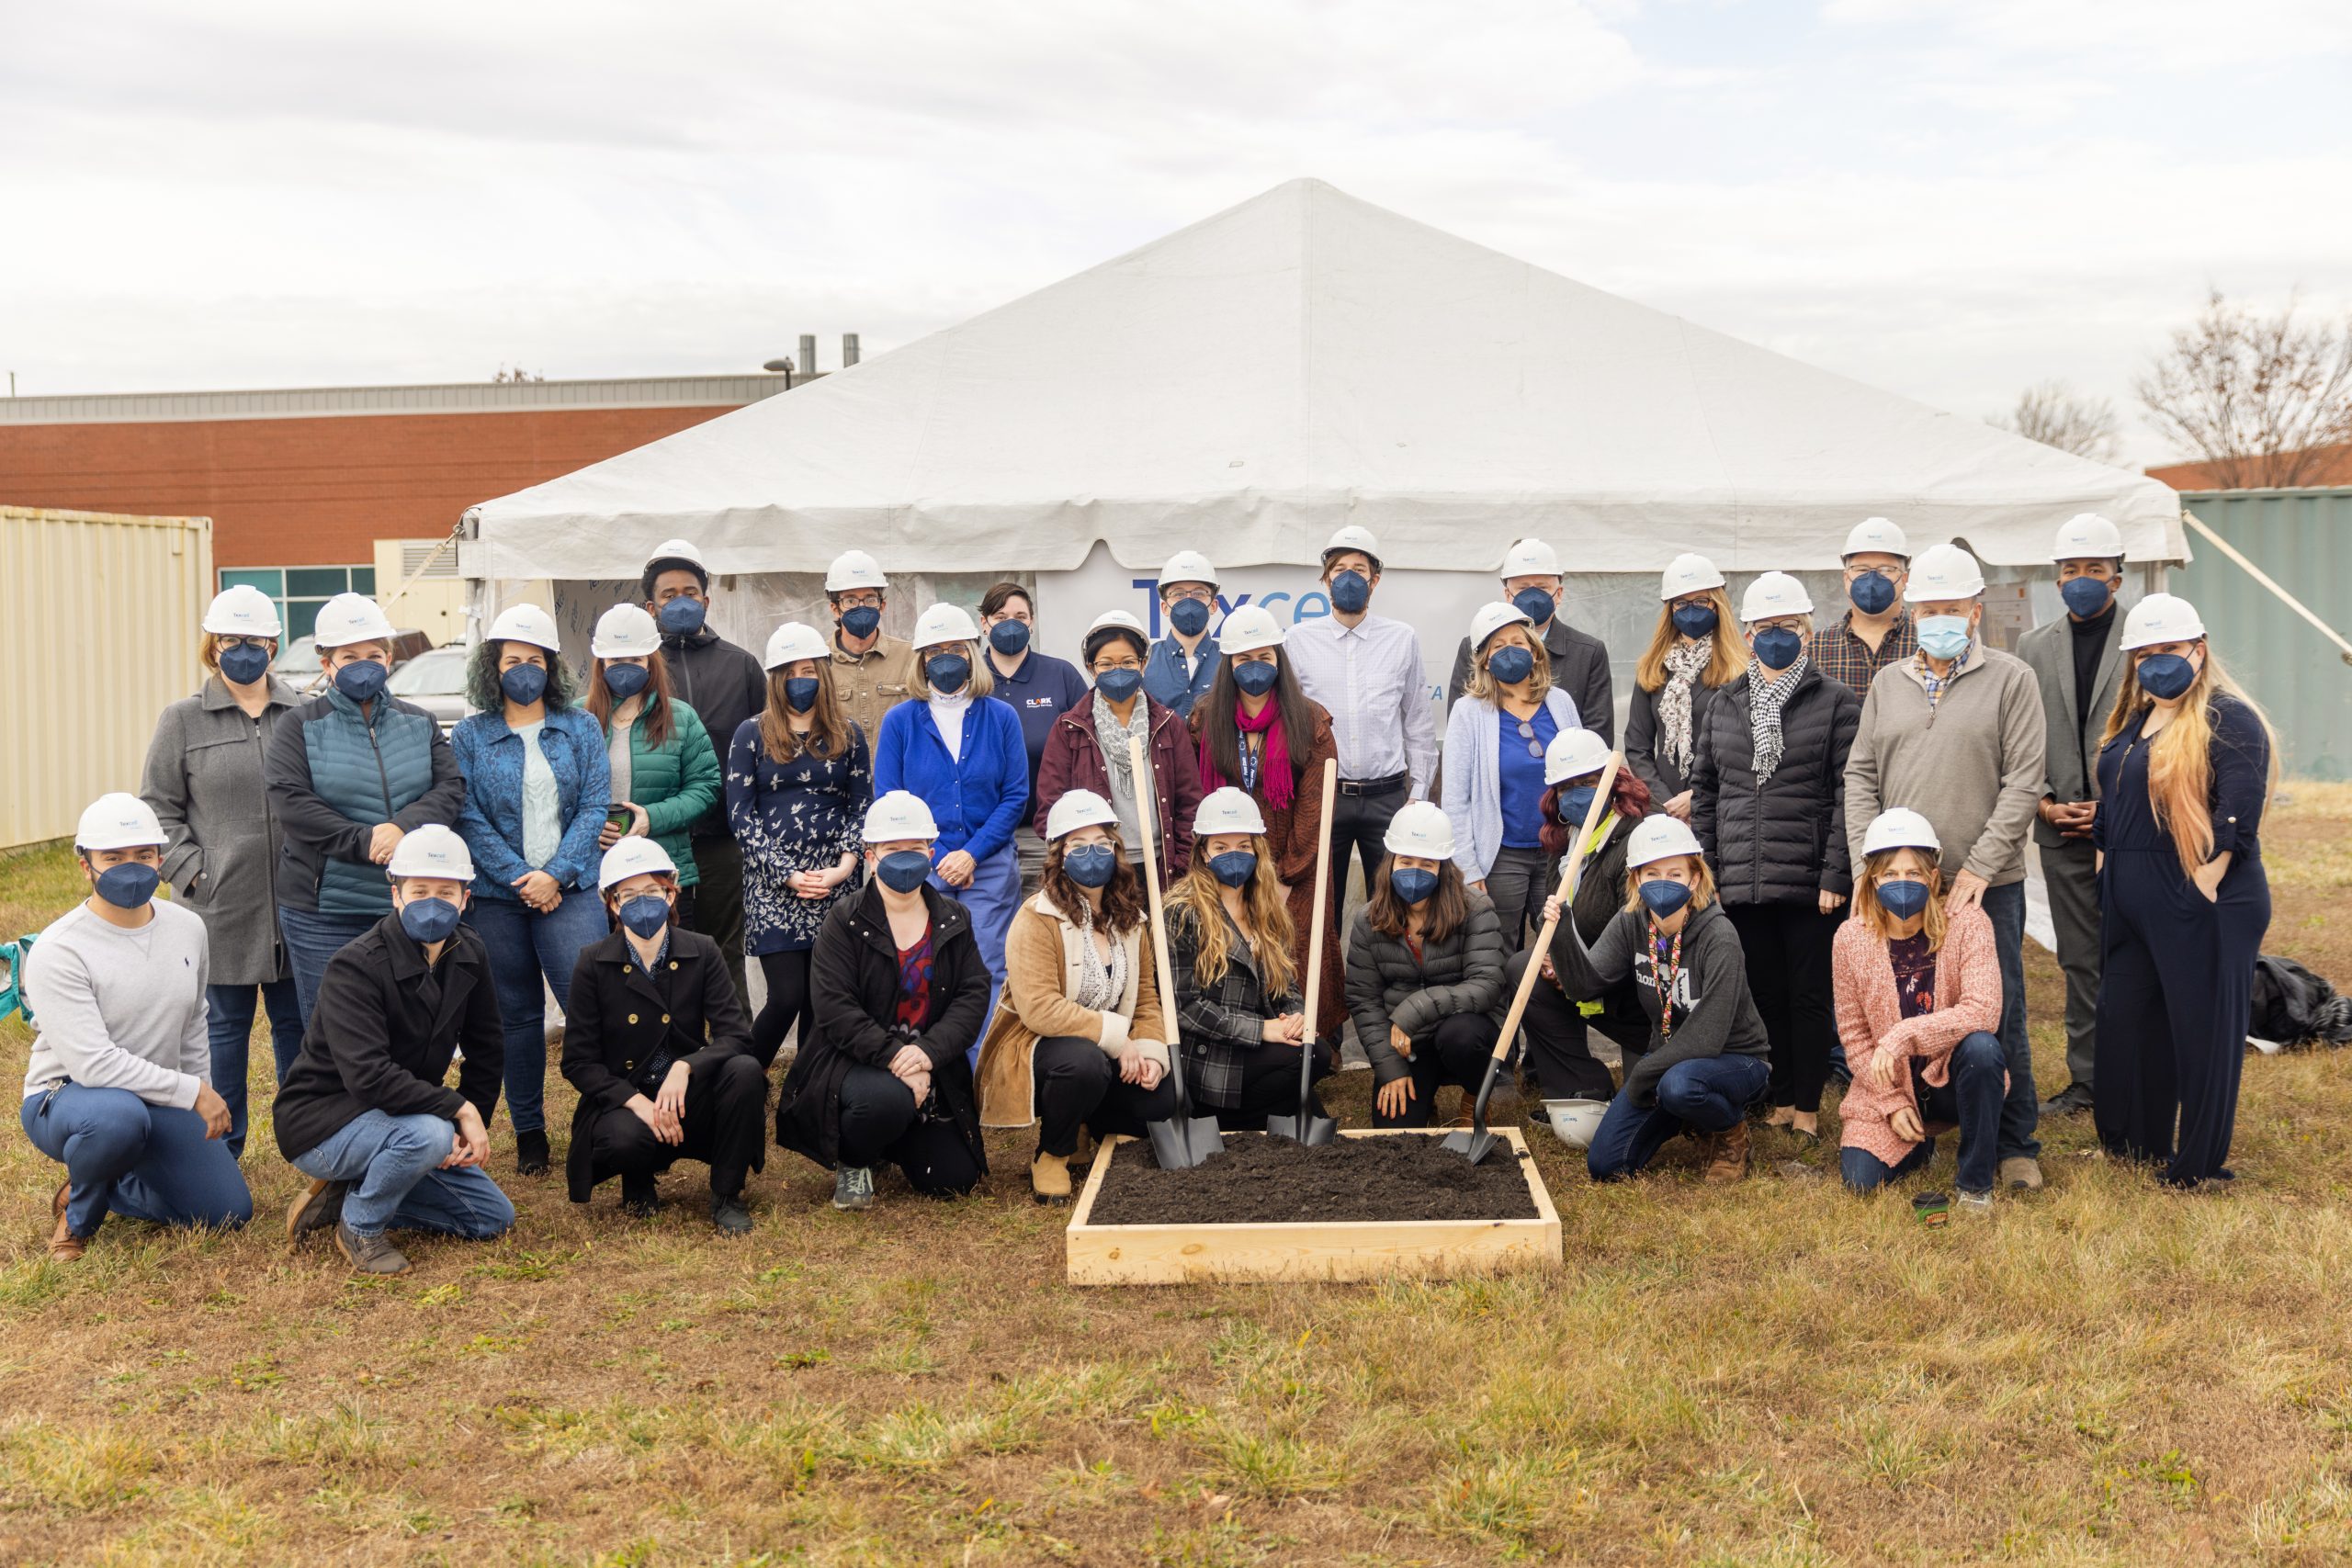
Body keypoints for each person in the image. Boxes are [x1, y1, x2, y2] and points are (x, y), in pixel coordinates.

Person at [1844, 542, 2048, 1190]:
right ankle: (1907, 1114)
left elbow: (2023, 780)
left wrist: (1980, 867)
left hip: (1984, 883)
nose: (1940, 619)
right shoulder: (1888, 684)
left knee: (1998, 1011)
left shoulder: (2012, 680)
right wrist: (1864, 867)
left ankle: (2016, 1143)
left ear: (1975, 611)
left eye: (1952, 608)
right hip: (1900, 880)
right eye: (1929, 608)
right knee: (1892, 999)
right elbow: (1860, 774)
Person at [2092, 593, 2273, 1190]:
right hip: (2129, 894)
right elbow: (2118, 801)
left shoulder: (2227, 716)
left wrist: (2205, 882)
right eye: (2144, 653)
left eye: (2168, 649)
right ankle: (2139, 1141)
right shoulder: (2133, 720)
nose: (2156, 662)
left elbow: (2239, 807)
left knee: (2201, 1030)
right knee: (2130, 1020)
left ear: (2198, 649)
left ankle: (2198, 1163)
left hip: (2200, 891)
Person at [21, 795, 251, 1260]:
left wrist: (197, 1094)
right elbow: (93, 1064)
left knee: (228, 1212)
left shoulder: (188, 927)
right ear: (85, 865)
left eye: (143, 855)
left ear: (160, 859)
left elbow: (193, 1023)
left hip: (158, 1096)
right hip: (70, 1097)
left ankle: (110, 1181)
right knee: (118, 1118)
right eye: (114, 857)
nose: (132, 867)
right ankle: (79, 1217)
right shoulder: (59, 949)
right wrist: (192, 1093)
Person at [276, 826, 513, 1274]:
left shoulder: (470, 951)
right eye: (419, 889)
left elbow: (487, 1046)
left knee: (491, 1218)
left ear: (465, 897)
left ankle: (352, 1187)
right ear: (396, 895)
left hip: (404, 1118)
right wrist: (454, 1110)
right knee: (428, 1135)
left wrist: (469, 1122)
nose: (432, 901)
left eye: (446, 891)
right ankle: (360, 1227)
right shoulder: (355, 965)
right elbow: (367, 1076)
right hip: (324, 1122)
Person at [1688, 572, 1860, 1141]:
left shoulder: (1835, 701)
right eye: (1765, 627)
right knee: (1762, 995)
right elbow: (1706, 792)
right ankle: (1780, 1096)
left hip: (1811, 880)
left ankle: (1808, 1106)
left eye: (1787, 626)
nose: (1776, 636)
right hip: (1740, 879)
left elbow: (1846, 793)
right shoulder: (1723, 703)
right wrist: (1707, 870)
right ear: (1749, 633)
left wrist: (1838, 871)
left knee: (1809, 996)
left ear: (1807, 631)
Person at [141, 584, 305, 1158]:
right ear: (213, 645)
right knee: (223, 1037)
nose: (243, 650)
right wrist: (193, 874)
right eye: (231, 640)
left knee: (300, 1032)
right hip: (218, 909)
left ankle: (308, 1143)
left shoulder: (304, 714)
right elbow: (157, 809)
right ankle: (221, 1152)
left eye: (254, 640)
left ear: (273, 644)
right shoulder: (182, 720)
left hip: (297, 906)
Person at [449, 603, 612, 1175]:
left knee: (589, 1010)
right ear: (492, 669)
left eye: (534, 659)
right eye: (511, 660)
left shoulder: (581, 727)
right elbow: (465, 815)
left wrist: (557, 874)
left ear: (551, 666)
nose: (523, 669)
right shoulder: (470, 735)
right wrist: (522, 878)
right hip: (498, 898)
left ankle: (606, 1122)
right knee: (514, 1018)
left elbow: (595, 806)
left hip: (570, 891)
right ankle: (530, 1133)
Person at [776, 792, 991, 1209]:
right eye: (893, 849)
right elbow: (835, 1009)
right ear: (871, 856)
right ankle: (856, 1159)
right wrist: (897, 1058)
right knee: (885, 1101)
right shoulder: (844, 920)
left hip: (928, 1062)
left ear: (931, 852)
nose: (905, 858)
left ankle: (893, 1142)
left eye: (915, 849)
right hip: (854, 1061)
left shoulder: (953, 917)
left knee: (953, 1180)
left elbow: (973, 994)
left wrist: (927, 1054)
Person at [265, 591, 464, 1029]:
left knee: (406, 1025)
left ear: (390, 658)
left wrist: (401, 829)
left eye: (374, 654)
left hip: (406, 905)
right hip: (323, 912)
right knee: (332, 1030)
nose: (363, 664)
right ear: (326, 663)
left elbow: (450, 788)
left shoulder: (419, 722)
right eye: (349, 655)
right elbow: (291, 801)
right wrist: (365, 840)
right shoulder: (298, 726)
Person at [974, 790, 1178, 1202]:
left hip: (1108, 1051)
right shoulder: (1037, 917)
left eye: (1102, 844)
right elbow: (1041, 1009)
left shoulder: (1130, 920)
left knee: (1164, 1098)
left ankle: (1088, 1121)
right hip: (1043, 1048)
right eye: (1079, 845)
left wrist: (1151, 1053)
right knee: (1082, 1064)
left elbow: (1145, 1000)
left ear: (1116, 851)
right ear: (1059, 855)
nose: (1093, 854)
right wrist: (1120, 1042)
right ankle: (1052, 1153)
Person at [1546, 815, 1771, 1183]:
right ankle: (1687, 1115)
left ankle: (1730, 1131)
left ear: (1694, 878)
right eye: (1651, 874)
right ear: (1635, 878)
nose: (1662, 883)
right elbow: (1585, 986)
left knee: (1679, 1086)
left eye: (1674, 873)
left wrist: (1643, 1076)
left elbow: (1707, 1037)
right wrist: (1560, 932)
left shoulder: (1720, 935)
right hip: (1669, 1059)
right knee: (1607, 1166)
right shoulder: (1631, 921)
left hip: (1736, 1059)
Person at [560, 838, 767, 1233]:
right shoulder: (592, 962)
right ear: (613, 904)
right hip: (630, 1098)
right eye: (630, 895)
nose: (643, 903)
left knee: (744, 1071)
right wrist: (634, 1101)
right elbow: (578, 1062)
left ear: (672, 894)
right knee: (623, 1138)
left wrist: (687, 1067)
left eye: (653, 891)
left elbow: (736, 1036)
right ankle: (637, 1181)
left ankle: (727, 1194)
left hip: (688, 1095)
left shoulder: (702, 950)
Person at [872, 604, 1029, 1049]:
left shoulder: (1001, 717)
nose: (945, 658)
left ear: (972, 653)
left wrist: (970, 854)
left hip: (989, 865)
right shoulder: (900, 722)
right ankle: (932, 1067)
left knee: (989, 966)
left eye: (956, 648)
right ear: (921, 660)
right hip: (921, 867)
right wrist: (938, 858)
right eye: (934, 651)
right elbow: (890, 799)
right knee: (924, 967)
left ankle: (986, 1071)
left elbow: (1015, 796)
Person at [1833, 809, 2008, 1207]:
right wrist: (1891, 1104)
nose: (1902, 883)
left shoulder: (1967, 922)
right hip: (1889, 1081)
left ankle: (1975, 1184)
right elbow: (1853, 1035)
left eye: (1913, 873)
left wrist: (1902, 1035)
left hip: (1949, 1073)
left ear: (1932, 877)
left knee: (1983, 1048)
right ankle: (1916, 1142)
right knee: (1861, 1181)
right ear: (1873, 880)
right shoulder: (1849, 938)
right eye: (1890, 874)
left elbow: (1984, 1010)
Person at [1188, 605, 1344, 1034]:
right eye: (1244, 660)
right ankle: (1247, 1040)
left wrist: (1286, 874)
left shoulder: (1312, 720)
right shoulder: (1205, 720)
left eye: (1264, 658)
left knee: (1301, 952)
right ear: (1228, 664)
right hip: (1229, 858)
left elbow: (1317, 806)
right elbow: (1198, 798)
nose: (1255, 668)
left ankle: (1313, 1048)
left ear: (1279, 659)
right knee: (1238, 951)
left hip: (1300, 865)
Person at [2018, 514, 2129, 1119]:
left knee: (2137, 954)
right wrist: (2043, 799)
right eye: (2069, 570)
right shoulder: (2034, 647)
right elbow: (2021, 733)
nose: (2080, 578)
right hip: (2062, 829)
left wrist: (2116, 806)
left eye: (2092, 568)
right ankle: (2087, 1080)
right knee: (2080, 958)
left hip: (2136, 833)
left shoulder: (2146, 637)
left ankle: (2137, 1067)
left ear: (2117, 573)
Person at [729, 622, 872, 1069]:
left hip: (836, 883)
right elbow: (740, 815)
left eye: (808, 670)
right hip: (775, 886)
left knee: (823, 998)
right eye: (788, 672)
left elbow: (862, 805)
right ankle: (742, 1078)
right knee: (788, 995)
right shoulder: (750, 734)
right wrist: (785, 874)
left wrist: (845, 869)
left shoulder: (848, 734)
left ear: (823, 674)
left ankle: (805, 1092)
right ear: (774, 679)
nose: (799, 680)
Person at [642, 538, 768, 1012]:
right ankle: (667, 1055)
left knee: (722, 949)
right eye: (669, 593)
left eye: (690, 592)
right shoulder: (637, 669)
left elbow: (767, 746)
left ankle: (736, 1058)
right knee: (657, 948)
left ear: (707, 601)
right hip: (655, 837)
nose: (680, 601)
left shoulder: (740, 665)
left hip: (721, 838)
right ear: (649, 606)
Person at [1284, 525, 1439, 909]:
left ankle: (1387, 973)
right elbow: (1287, 726)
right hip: (1323, 797)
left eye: (1359, 568)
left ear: (1375, 579)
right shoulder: (1298, 641)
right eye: (1339, 570)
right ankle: (1327, 974)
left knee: (1394, 908)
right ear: (1325, 579)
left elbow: (1418, 724)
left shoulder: (1402, 639)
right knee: (1320, 908)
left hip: (1388, 798)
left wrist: (1417, 796)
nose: (1349, 577)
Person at [1163, 788, 1334, 1130]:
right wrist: (1262, 1029)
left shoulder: (1266, 908)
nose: (1234, 856)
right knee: (1301, 1061)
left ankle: (1256, 1118)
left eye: (1244, 846)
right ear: (1204, 854)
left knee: (1317, 1052)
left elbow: (1285, 983)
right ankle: (1221, 1117)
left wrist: (1296, 1018)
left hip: (1254, 1048)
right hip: (1209, 1052)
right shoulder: (1182, 913)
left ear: (1257, 850)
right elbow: (1185, 1008)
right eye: (1221, 847)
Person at [1509, 729, 1655, 1119]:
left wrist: (1581, 968)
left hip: (1630, 988)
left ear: (1614, 784)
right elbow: (1556, 916)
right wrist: (1554, 960)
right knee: (1523, 968)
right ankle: (1582, 1085)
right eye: (1565, 786)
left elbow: (1637, 929)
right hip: (1580, 979)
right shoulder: (1566, 842)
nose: (1576, 793)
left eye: (1587, 783)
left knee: (1650, 1104)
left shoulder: (1637, 837)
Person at [1344, 801, 1508, 1128]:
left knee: (1461, 1036)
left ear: (1443, 867)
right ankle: (1423, 1094)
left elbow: (1487, 984)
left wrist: (1414, 1009)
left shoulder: (1476, 909)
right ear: (1390, 862)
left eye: (1427, 863)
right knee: (1394, 1128)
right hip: (1407, 1044)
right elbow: (1363, 999)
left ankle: (1476, 1095)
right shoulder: (1369, 919)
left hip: (1463, 1031)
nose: (1415, 871)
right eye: (1406, 861)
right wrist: (1390, 1067)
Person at [1440, 601, 1586, 949]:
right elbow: (1455, 799)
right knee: (1497, 948)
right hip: (1501, 855)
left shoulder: (1560, 702)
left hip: (1557, 850)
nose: (1510, 652)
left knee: (1562, 942)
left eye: (1518, 643)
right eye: (1498, 646)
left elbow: (1583, 775)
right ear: (1484, 660)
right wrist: (1469, 870)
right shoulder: (1469, 712)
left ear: (1535, 652)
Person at [1035, 609, 1204, 888]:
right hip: (1097, 871)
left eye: (1128, 662)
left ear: (1143, 664)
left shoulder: (1167, 724)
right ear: (1091, 668)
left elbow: (1189, 803)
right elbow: (1050, 809)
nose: (1118, 671)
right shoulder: (1070, 728)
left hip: (1162, 867)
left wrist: (1182, 864)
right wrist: (1082, 861)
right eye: (1106, 664)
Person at [585, 603, 722, 931]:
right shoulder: (580, 719)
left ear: (651, 660)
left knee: (674, 973)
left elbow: (706, 786)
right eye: (617, 659)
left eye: (636, 658)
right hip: (595, 878)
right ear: (601, 662)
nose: (626, 666)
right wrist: (591, 824)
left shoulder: (680, 717)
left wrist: (652, 818)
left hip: (664, 873)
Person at [977, 581, 1091, 893]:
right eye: (1000, 617)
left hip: (1045, 833)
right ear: (984, 623)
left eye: (1020, 616)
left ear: (1032, 622)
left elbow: (1088, 749)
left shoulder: (1060, 675)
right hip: (982, 836)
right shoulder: (971, 680)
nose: (1011, 624)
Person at [1446, 537, 1615, 747]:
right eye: (1524, 588)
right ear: (1508, 594)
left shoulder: (1588, 652)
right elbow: (1459, 729)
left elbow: (1597, 735)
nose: (1533, 597)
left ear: (1559, 593)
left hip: (1566, 776)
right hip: (1493, 773)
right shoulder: (1475, 647)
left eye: (1542, 588)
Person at [1624, 554, 1743, 822]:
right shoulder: (1653, 667)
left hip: (1721, 808)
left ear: (1717, 604)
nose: (1691, 610)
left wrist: (1696, 797)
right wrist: (1664, 802)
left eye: (1700, 601)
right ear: (1670, 609)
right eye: (1681, 603)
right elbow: (1637, 746)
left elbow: (1741, 750)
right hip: (1664, 810)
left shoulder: (1739, 670)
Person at [822, 548, 921, 760]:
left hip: (898, 786)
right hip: (840, 787)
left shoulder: (910, 657)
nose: (861, 607)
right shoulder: (818, 664)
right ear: (834, 608)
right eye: (850, 600)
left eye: (869, 599)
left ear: (882, 605)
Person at [1810, 517, 1918, 698]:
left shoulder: (1925, 644)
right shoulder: (1818, 647)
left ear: (1904, 580)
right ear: (1846, 578)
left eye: (1886, 570)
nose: (1872, 579)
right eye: (1861, 569)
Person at [1142, 550, 1224, 717]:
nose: (1188, 601)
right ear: (1164, 607)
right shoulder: (1144, 662)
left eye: (1198, 594)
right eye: (1178, 594)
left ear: (1214, 606)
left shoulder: (1230, 661)